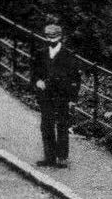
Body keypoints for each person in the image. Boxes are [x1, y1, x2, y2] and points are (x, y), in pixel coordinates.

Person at [32, 23, 81, 169]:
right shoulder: (40, 53)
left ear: (60, 37)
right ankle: (49, 157)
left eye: (54, 37)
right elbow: (34, 73)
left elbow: (75, 79)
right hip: (46, 95)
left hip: (62, 95)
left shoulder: (68, 55)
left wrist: (73, 99)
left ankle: (62, 157)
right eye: (48, 37)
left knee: (62, 124)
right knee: (46, 125)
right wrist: (38, 81)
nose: (51, 40)